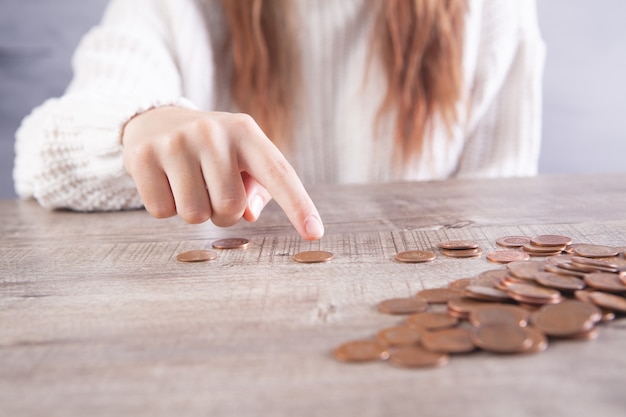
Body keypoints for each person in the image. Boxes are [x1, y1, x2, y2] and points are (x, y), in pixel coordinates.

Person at [13, 0, 545, 241]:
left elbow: (499, 219)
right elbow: (40, 156)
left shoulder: (489, 13)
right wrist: (136, 127)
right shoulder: (177, 9)